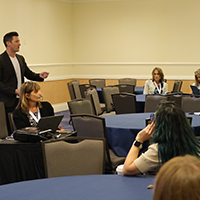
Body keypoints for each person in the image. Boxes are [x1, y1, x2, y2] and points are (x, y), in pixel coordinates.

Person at [122, 101, 200, 176]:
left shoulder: (158, 150)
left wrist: (139, 140)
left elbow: (127, 170)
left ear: (160, 126)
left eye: (154, 119)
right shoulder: (196, 145)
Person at [0, 31, 49, 134]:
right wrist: (14, 91)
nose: (19, 44)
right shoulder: (1, 60)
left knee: (22, 126)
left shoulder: (20, 59)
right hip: (7, 100)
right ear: (8, 43)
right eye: (17, 41)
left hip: (22, 100)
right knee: (10, 128)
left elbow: (28, 73)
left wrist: (39, 76)